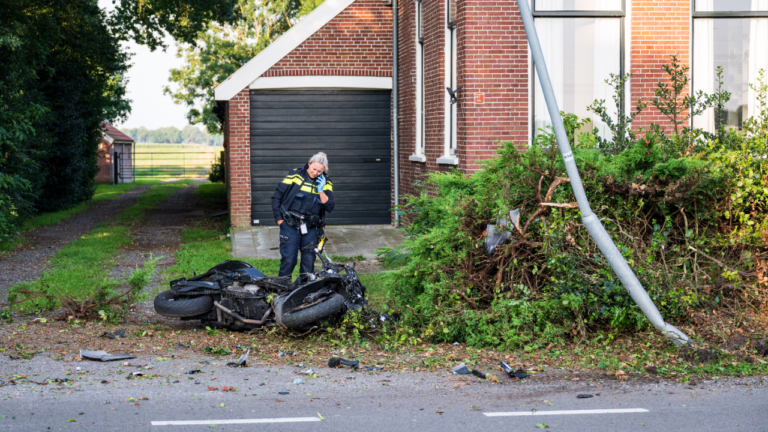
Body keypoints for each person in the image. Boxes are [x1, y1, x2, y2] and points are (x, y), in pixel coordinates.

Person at [271, 152, 335, 277]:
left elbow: (329, 207)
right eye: (314, 169)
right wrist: (279, 220)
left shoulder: (326, 181)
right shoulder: (295, 175)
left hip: (311, 228)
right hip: (290, 224)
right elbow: (276, 197)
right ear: (309, 164)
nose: (315, 173)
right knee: (289, 260)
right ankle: (282, 290)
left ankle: (304, 290)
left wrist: (321, 190)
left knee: (308, 262)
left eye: (319, 171)